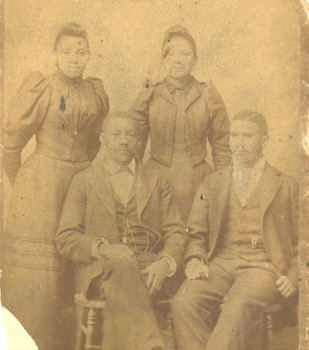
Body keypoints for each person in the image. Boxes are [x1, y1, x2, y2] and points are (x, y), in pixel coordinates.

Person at [2, 23, 109, 350]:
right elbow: (9, 145)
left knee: (81, 265)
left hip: (82, 183)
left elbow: (93, 143)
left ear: (89, 54)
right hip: (41, 188)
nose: (74, 58)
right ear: (55, 55)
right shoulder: (42, 88)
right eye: (67, 52)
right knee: (42, 277)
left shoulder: (95, 91)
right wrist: (26, 182)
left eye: (81, 52)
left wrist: (82, 171)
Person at [55, 111, 187, 350]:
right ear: (103, 138)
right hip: (101, 272)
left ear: (139, 140)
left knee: (128, 285)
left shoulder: (158, 181)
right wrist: (105, 248)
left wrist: (164, 262)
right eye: (116, 134)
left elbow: (176, 232)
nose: (124, 141)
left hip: (151, 271)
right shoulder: (84, 180)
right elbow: (65, 238)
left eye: (130, 135)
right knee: (122, 268)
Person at [171, 110, 298, 350]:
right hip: (219, 264)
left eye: (247, 136)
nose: (238, 143)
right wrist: (195, 258)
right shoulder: (213, 181)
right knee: (183, 301)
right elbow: (195, 233)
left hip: (263, 268)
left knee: (238, 305)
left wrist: (295, 276)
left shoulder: (286, 184)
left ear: (264, 142)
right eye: (234, 135)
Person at [129, 25, 231, 220]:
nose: (177, 60)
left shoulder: (207, 93)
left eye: (185, 54)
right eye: (170, 54)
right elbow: (134, 140)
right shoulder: (150, 92)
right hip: (156, 177)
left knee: (197, 235)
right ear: (163, 59)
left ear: (195, 60)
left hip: (198, 180)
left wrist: (222, 184)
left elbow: (222, 144)